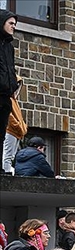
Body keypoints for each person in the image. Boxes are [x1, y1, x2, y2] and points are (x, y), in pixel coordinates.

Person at [0, 10, 16, 144]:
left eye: (15, 24)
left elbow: (11, 69)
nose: (13, 26)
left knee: (1, 136)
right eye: (10, 23)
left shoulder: (9, 47)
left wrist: (13, 86)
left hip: (6, 98)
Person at [3, 75, 24, 175]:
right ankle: (6, 174)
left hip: (17, 132)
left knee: (11, 156)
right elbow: (9, 116)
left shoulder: (14, 101)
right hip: (11, 131)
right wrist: (18, 126)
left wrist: (22, 127)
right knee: (7, 156)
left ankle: (8, 172)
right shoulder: (8, 100)